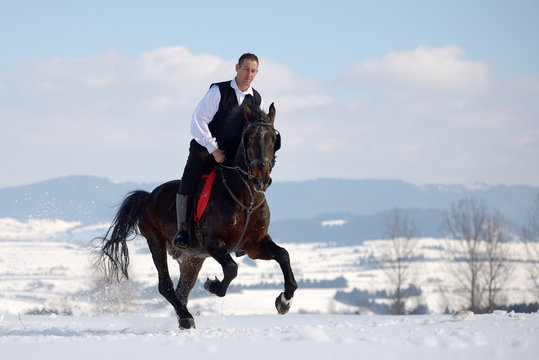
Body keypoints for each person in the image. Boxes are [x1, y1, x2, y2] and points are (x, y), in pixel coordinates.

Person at [172, 53, 267, 248]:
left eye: (253, 71)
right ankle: (183, 231)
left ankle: (245, 233)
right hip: (205, 148)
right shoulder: (218, 91)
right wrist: (214, 150)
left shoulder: (257, 99)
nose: (249, 74)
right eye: (245, 69)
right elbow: (198, 121)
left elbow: (260, 131)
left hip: (234, 153)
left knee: (251, 182)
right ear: (236, 68)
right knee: (189, 179)